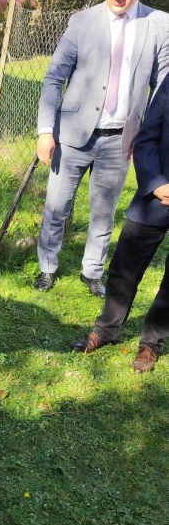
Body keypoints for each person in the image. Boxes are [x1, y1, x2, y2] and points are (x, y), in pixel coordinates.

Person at [35, 0, 169, 297]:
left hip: (121, 140)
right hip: (72, 135)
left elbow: (162, 90)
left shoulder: (159, 24)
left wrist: (148, 140)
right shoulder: (82, 22)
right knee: (57, 207)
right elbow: (54, 77)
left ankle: (92, 272)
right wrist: (46, 131)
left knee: (103, 212)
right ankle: (47, 266)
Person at [72, 73, 169, 372]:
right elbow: (147, 137)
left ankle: (151, 343)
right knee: (125, 265)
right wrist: (155, 183)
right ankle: (106, 329)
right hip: (158, 195)